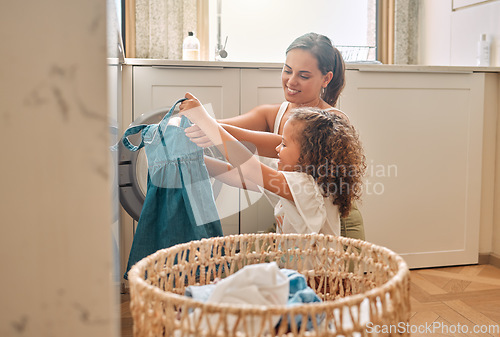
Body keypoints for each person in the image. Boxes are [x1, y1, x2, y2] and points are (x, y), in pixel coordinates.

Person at [217, 32, 365, 240]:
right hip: (293, 218)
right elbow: (228, 135)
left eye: (304, 76)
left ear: (326, 78)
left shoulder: (331, 123)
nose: (291, 81)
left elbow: (249, 149)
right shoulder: (272, 114)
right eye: (287, 71)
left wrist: (206, 126)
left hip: (334, 228)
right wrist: (185, 122)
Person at [179, 93, 366, 237]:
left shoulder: (307, 187)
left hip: (319, 276)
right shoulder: (291, 180)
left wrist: (205, 120)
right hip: (296, 267)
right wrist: (195, 161)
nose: (277, 148)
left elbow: (250, 168)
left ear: (308, 157)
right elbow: (238, 176)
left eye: (284, 144)